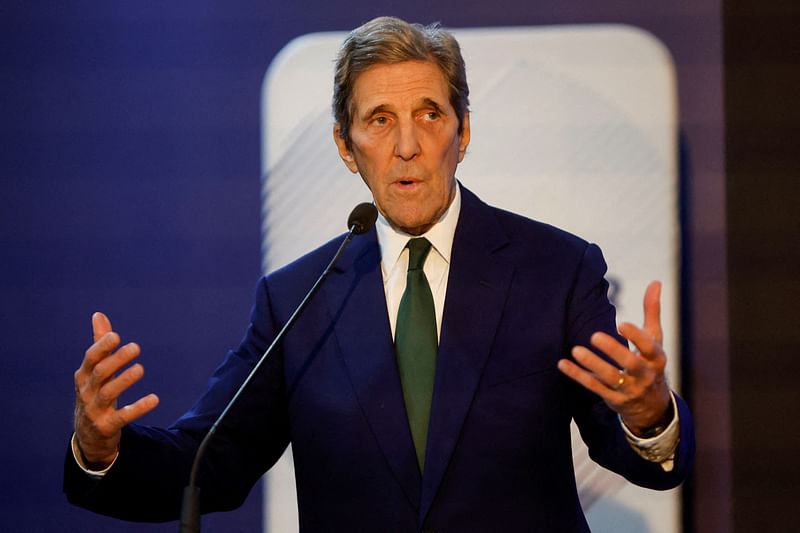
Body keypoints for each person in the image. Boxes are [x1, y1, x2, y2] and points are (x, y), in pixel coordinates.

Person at [65, 16, 694, 531]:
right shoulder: (296, 300)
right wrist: (101, 451)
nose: (408, 146)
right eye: (380, 120)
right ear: (345, 146)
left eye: (429, 114)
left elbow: (640, 456)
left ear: (463, 131)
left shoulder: (556, 269)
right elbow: (207, 464)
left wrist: (648, 415)